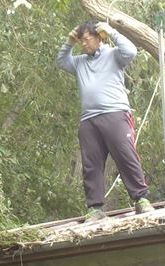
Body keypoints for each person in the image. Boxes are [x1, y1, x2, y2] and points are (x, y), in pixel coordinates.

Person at [56, 20, 154, 222]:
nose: (84, 44)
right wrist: (69, 42)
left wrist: (111, 31)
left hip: (115, 114)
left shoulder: (112, 54)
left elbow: (131, 51)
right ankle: (95, 208)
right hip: (88, 120)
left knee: (125, 155)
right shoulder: (79, 62)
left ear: (98, 38)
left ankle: (141, 199)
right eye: (81, 41)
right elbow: (61, 61)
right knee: (90, 164)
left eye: (87, 40)